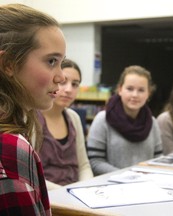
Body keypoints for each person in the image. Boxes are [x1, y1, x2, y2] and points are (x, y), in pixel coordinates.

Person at [0, 3, 66, 215]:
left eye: (61, 62)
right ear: (8, 63)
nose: (61, 76)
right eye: (51, 61)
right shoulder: (9, 147)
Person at [87, 65, 163, 175]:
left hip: (146, 186)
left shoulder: (152, 122)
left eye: (141, 90)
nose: (135, 95)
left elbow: (158, 159)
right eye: (130, 89)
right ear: (120, 90)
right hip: (110, 187)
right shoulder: (102, 119)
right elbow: (95, 162)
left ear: (148, 94)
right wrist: (128, 176)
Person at [37, 59, 93, 190]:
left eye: (75, 84)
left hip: (75, 194)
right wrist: (66, 193)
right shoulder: (32, 119)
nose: (69, 89)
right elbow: (30, 175)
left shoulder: (74, 118)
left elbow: (84, 166)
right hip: (46, 197)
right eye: (63, 82)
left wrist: (85, 188)